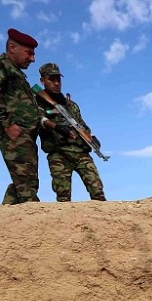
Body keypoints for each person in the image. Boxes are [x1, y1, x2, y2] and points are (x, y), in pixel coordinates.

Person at [0, 28, 45, 204]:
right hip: (14, 132)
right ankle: (35, 223)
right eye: (29, 53)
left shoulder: (17, 74)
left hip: (26, 135)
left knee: (25, 183)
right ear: (12, 47)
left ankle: (3, 221)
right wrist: (7, 124)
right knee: (26, 185)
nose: (33, 59)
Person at [35, 63, 106, 202]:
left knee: (97, 191)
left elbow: (82, 124)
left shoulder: (71, 105)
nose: (56, 83)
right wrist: (56, 126)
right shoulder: (38, 103)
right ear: (42, 81)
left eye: (58, 80)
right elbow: (39, 119)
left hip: (80, 153)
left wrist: (91, 138)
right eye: (52, 79)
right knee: (63, 197)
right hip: (59, 154)